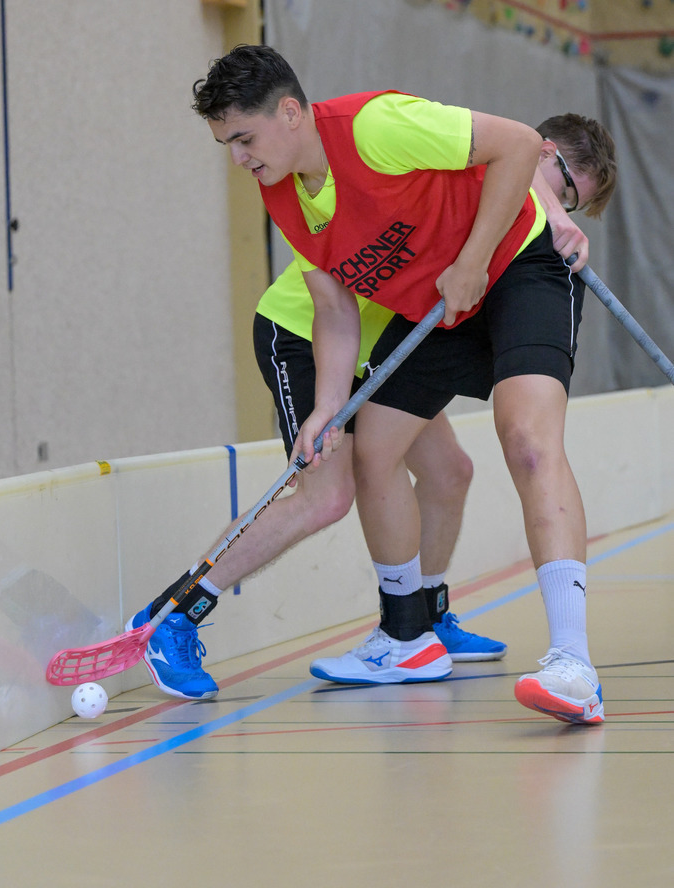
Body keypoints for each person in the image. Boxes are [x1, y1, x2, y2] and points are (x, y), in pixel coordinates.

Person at [176, 44, 616, 727]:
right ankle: (404, 637)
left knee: (526, 438)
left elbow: (519, 145)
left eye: (243, 138)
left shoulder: (375, 127)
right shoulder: (284, 194)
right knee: (373, 450)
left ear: (289, 113)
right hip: (436, 306)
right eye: (225, 143)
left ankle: (571, 664)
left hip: (514, 263)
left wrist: (474, 261)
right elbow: (333, 309)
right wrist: (324, 408)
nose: (237, 157)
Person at [254, 257, 507, 660]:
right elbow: (334, 304)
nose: (561, 204)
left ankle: (428, 619)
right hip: (305, 332)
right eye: (563, 191)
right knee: (326, 498)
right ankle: (180, 611)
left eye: (571, 205)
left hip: (377, 348)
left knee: (449, 473)